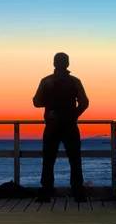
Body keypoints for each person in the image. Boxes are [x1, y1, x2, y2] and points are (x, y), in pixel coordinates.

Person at [32, 52, 89, 202]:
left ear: (54, 63)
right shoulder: (75, 82)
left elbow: (36, 102)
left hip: (52, 125)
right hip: (70, 125)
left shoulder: (46, 82)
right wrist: (74, 114)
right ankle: (78, 192)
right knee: (75, 160)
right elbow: (84, 103)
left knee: (48, 160)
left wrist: (49, 103)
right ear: (68, 64)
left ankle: (46, 192)